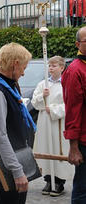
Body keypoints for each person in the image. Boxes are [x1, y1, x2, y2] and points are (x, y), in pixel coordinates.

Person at [0, 42, 36, 204]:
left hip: (17, 157)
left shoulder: (9, 86)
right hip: (7, 163)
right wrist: (17, 170)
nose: (23, 73)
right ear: (15, 64)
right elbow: (0, 136)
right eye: (23, 68)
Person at [32, 56, 73, 197]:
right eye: (49, 65)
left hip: (58, 123)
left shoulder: (66, 84)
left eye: (54, 65)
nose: (51, 68)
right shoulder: (42, 84)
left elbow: (70, 105)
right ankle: (48, 180)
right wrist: (42, 97)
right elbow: (34, 103)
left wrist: (54, 110)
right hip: (44, 123)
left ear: (62, 68)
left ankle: (59, 182)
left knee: (58, 149)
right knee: (46, 148)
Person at [62, 26, 86, 203]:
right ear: (78, 44)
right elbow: (73, 111)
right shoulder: (75, 70)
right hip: (84, 141)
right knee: (82, 190)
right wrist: (74, 147)